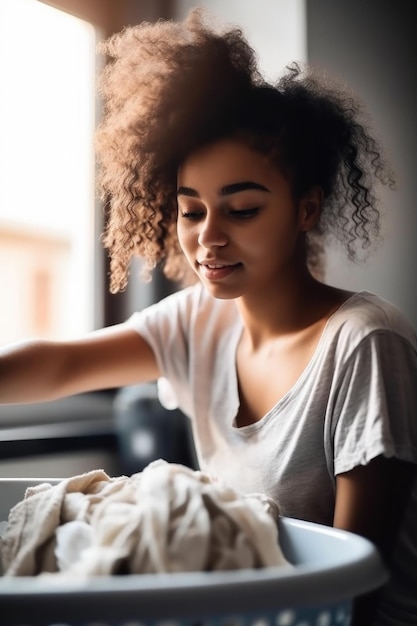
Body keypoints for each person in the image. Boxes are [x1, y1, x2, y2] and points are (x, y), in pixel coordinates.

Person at [0, 8, 416, 625]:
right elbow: (58, 365)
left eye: (242, 210)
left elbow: (354, 581)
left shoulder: (364, 344)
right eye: (191, 212)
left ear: (306, 210)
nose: (208, 240)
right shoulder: (197, 320)